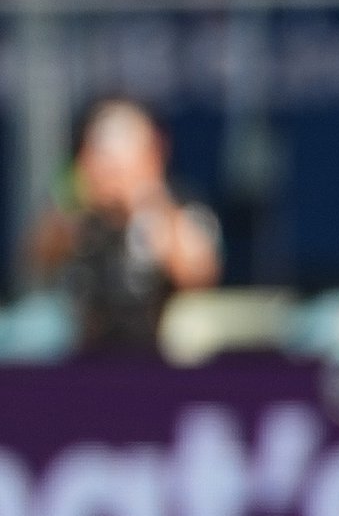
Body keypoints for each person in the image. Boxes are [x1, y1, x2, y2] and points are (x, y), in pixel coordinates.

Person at [29, 99, 219, 357]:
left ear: (152, 155)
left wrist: (148, 204)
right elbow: (36, 260)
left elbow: (199, 276)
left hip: (155, 350)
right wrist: (74, 200)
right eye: (103, 154)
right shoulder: (74, 211)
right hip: (81, 348)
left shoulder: (178, 207)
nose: (113, 170)